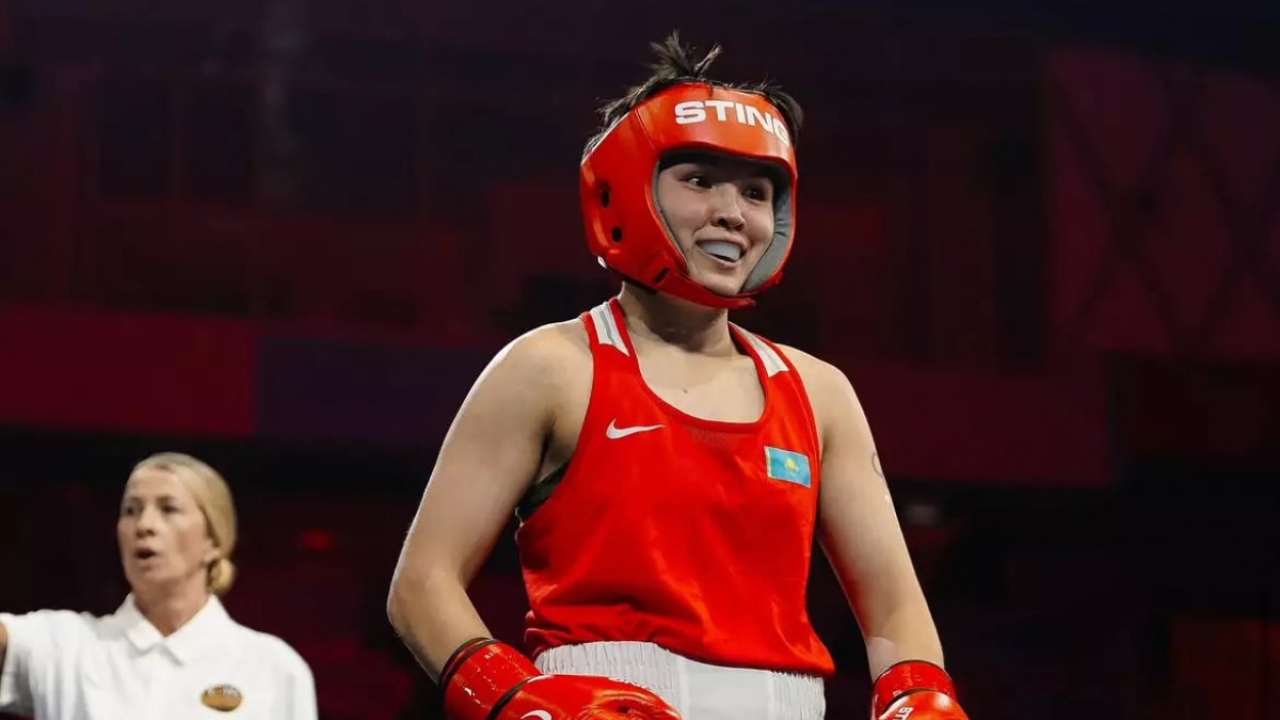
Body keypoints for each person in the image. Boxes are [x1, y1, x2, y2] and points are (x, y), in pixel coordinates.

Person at [387, 32, 972, 720]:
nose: (732, 212)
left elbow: (895, 607)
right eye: (698, 180)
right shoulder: (550, 368)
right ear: (625, 190)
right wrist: (515, 696)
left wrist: (918, 693)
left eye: (756, 192)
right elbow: (421, 584)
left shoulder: (819, 393)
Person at [0, 452, 318, 720]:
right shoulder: (66, 647)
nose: (144, 525)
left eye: (168, 509)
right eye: (131, 510)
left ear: (213, 540)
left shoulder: (272, 668)